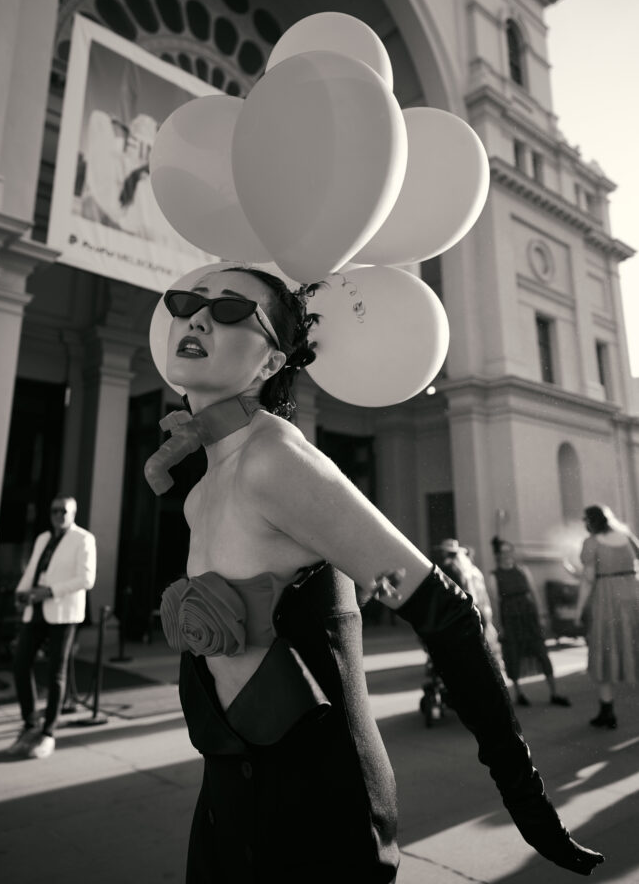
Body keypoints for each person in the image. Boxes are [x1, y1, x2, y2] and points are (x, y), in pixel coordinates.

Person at [153, 266, 602, 883]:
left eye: (231, 311)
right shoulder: (201, 490)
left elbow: (444, 610)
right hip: (228, 797)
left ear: (269, 364)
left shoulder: (274, 458)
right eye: (187, 302)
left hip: (314, 815)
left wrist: (526, 800)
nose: (197, 317)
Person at [8, 496, 96, 758]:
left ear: (73, 513)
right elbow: (34, 569)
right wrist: (21, 593)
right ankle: (30, 723)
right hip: (35, 609)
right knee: (20, 663)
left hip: (63, 612)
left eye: (63, 510)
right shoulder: (43, 538)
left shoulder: (83, 539)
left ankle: (48, 732)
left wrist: (50, 592)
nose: (58, 514)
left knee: (56, 672)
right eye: (54, 510)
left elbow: (87, 579)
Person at [574, 504, 639, 729]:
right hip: (634, 597)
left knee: (604, 651)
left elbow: (588, 579)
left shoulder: (591, 543)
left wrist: (578, 609)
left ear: (590, 521)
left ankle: (607, 712)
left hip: (607, 601)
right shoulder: (626, 536)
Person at [492, 536, 570, 708]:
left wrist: (541, 616)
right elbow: (496, 603)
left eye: (508, 551)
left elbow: (534, 593)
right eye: (503, 552)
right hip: (510, 619)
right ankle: (519, 693)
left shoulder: (523, 570)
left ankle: (554, 693)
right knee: (513, 655)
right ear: (498, 555)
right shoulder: (494, 576)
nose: (506, 555)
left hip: (529, 618)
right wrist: (499, 626)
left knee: (541, 652)